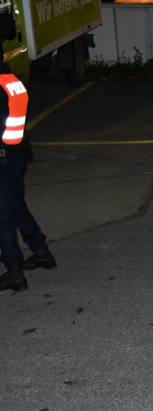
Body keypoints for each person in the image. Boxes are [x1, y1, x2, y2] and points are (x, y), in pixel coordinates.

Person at [0, 52, 56, 292]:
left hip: (4, 158)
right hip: (14, 156)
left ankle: (14, 274)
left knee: (3, 218)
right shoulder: (8, 77)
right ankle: (41, 252)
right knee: (15, 205)